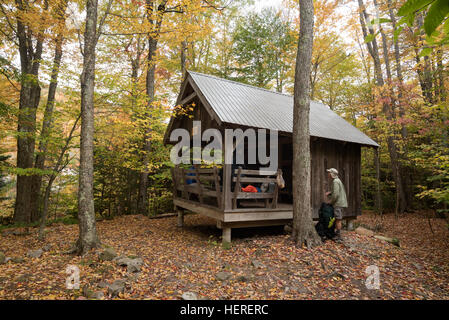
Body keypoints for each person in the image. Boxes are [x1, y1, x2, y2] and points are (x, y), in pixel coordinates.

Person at [325, 168, 348, 241]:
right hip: (340, 203)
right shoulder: (337, 181)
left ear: (332, 174)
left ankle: (338, 237)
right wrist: (330, 192)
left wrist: (330, 202)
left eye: (329, 172)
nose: (328, 174)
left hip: (338, 203)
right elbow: (335, 191)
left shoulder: (335, 182)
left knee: (338, 220)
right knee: (338, 219)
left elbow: (336, 195)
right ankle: (337, 234)